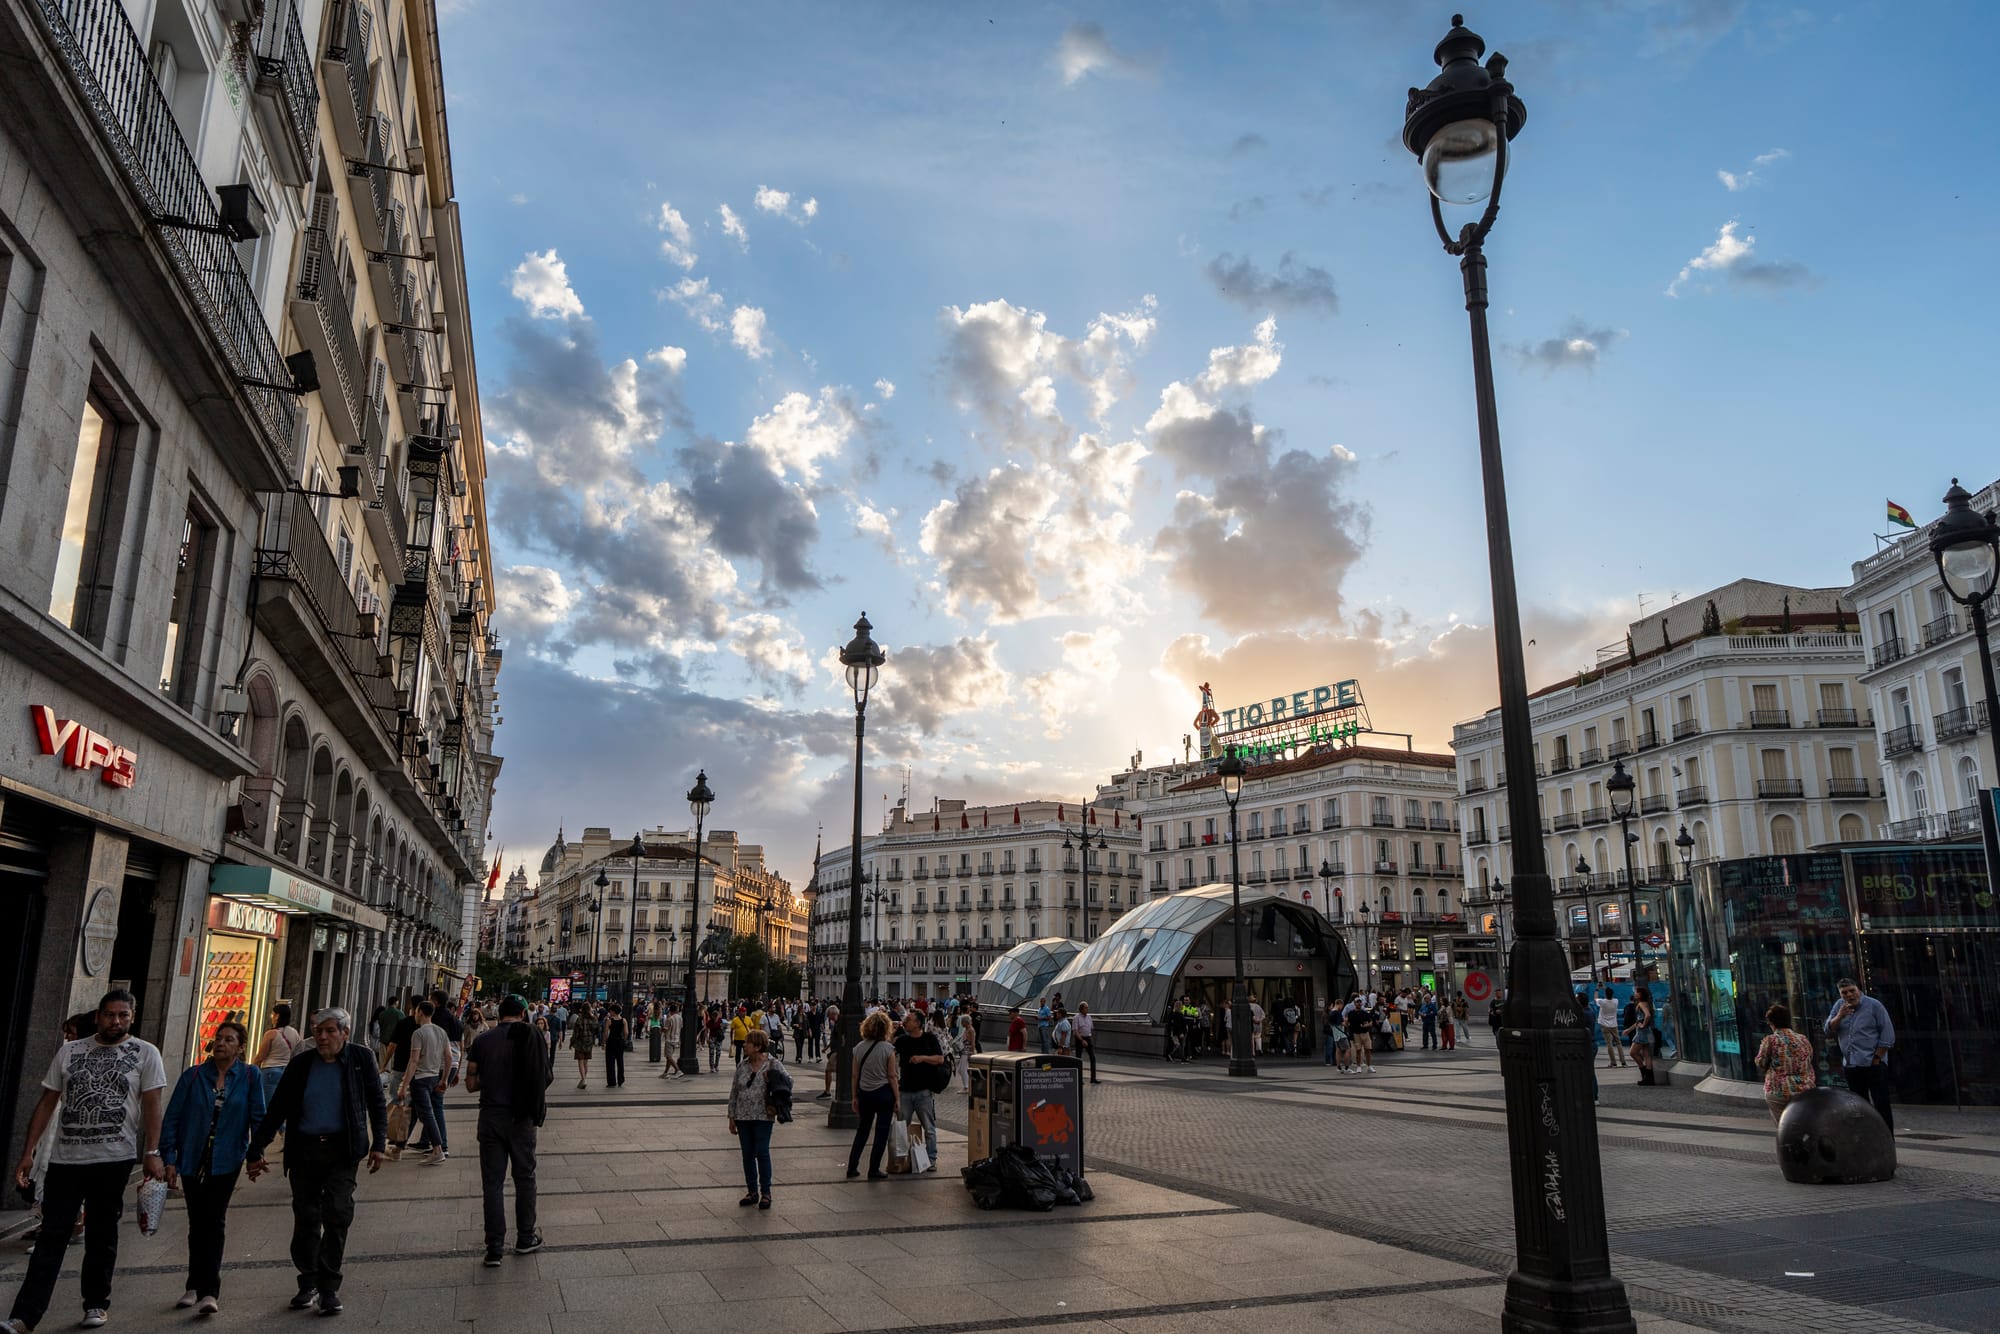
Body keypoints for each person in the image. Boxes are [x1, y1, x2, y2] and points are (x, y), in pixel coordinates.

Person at [4, 990, 168, 1334]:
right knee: (52, 1236)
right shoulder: (70, 1051)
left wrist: (152, 1153)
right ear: (98, 1016)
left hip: (114, 1158)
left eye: (123, 1015)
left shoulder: (145, 1053)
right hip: (67, 1159)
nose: (116, 1021)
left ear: (132, 1017)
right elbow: (48, 1102)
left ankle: (96, 1303)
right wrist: (28, 1152)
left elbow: (153, 1105)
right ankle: (25, 1316)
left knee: (101, 1234)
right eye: (110, 1015)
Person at [245, 1007, 387, 1317]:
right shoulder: (300, 1065)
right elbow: (278, 1109)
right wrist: (256, 1150)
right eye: (318, 1031)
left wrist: (379, 1143)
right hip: (305, 1151)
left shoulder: (361, 1060)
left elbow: (377, 1101)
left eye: (330, 1031)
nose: (322, 1037)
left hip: (343, 1150)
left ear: (345, 1034)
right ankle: (307, 1281)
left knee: (337, 1213)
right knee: (306, 1217)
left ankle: (329, 1287)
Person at [159, 1019, 266, 1314]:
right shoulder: (193, 1076)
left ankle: (209, 1291)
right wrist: (169, 1158)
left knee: (214, 1220)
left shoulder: (249, 1076)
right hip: (193, 1158)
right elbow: (172, 1119)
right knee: (197, 1222)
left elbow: (258, 1116)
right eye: (219, 1038)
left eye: (229, 1040)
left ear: (240, 1047)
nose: (221, 1043)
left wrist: (256, 1154)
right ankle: (193, 1286)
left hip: (227, 1159)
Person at [466, 995, 550, 1265]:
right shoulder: (532, 1038)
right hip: (522, 1119)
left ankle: (494, 1248)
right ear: (524, 1013)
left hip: (490, 1116)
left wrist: (490, 1078)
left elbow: (470, 1083)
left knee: (492, 1183)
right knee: (525, 1178)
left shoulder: (482, 1041)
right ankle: (525, 1237)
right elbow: (544, 1076)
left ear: (499, 1013)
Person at [1825, 977, 1897, 1130]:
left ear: (1858, 989)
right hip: (1852, 1064)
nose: (1849, 995)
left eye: (1852, 991)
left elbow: (1887, 1034)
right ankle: (1866, 1136)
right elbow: (1828, 1028)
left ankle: (1886, 1138)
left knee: (1881, 1103)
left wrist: (1877, 1058)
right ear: (1840, 995)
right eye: (1845, 993)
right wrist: (1840, 1016)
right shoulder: (1839, 1006)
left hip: (1873, 1063)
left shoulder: (1874, 1005)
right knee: (1859, 1105)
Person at [729, 1028, 787, 1208]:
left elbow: (788, 1082)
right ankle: (752, 1191)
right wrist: (731, 1116)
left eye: (748, 1042)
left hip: (763, 1115)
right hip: (743, 1116)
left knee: (761, 1152)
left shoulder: (772, 1064)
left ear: (757, 1046)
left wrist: (773, 1078)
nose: (744, 1045)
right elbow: (734, 1092)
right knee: (747, 1154)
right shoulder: (742, 1065)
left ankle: (766, 1193)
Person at [845, 1012, 900, 1180]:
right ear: (886, 1028)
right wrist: (897, 1098)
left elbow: (854, 1075)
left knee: (862, 1131)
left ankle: (852, 1167)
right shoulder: (888, 1049)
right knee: (881, 1132)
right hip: (883, 1093)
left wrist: (855, 1096)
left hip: (865, 1094)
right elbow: (892, 1076)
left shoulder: (859, 1048)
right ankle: (873, 1169)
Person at [397, 1000, 451, 1166]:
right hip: (434, 1076)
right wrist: (444, 1079)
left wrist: (404, 1085)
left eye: (415, 1011)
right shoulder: (441, 1031)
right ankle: (398, 1147)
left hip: (420, 1079)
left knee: (427, 1114)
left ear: (420, 1012)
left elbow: (413, 1061)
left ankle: (437, 1149)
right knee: (415, 1113)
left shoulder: (418, 1033)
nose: (414, 1014)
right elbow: (449, 1056)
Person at [893, 1012, 946, 1173]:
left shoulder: (929, 1038)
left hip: (924, 1091)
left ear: (918, 1023)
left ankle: (931, 1159)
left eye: (908, 1020)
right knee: (902, 1127)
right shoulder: (902, 1040)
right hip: (905, 1091)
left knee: (929, 1127)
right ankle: (901, 1159)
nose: (905, 1022)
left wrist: (922, 1058)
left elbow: (940, 1059)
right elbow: (888, 1051)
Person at [1754, 1002, 1817, 1126]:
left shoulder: (1770, 1040)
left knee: (1783, 1126)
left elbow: (1760, 1062)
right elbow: (1809, 1058)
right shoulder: (1803, 1038)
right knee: (1803, 1123)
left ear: (1771, 1023)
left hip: (1779, 1090)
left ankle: (1788, 1144)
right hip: (1804, 1088)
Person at [253, 1003, 305, 1107]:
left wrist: (252, 1068)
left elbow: (261, 1056)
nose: (272, 1018)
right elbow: (299, 1051)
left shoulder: (271, 1034)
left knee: (267, 1105)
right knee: (281, 1106)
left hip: (270, 1071)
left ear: (277, 1016)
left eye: (273, 1015)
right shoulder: (294, 1032)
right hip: (287, 1071)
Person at [1624, 990, 1659, 1086]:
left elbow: (1647, 1015)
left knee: (1633, 1052)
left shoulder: (1641, 1004)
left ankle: (1643, 1071)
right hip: (1647, 1031)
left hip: (1642, 1032)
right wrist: (1631, 1029)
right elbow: (1644, 1017)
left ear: (1641, 995)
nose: (1635, 994)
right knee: (1647, 1054)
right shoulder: (1646, 1003)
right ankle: (1649, 1077)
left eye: (1637, 992)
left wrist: (1643, 1025)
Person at [1596, 988, 1627, 1068]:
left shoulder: (1602, 1002)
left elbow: (1595, 998)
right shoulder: (1616, 1001)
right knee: (1618, 1043)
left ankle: (1613, 1063)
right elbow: (1609, 993)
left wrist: (1597, 989)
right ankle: (1623, 1062)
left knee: (1609, 1044)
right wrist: (1605, 987)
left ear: (1605, 994)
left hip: (1605, 1025)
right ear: (1612, 994)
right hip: (1614, 1025)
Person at [370, 996, 404, 1065]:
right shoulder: (400, 1013)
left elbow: (380, 1025)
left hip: (383, 1039)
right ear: (396, 1002)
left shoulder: (382, 1014)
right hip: (395, 1041)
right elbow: (403, 1026)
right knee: (391, 1062)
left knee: (383, 1062)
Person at [568, 1004, 596, 1088]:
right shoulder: (593, 1019)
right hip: (589, 1043)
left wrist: (571, 1042)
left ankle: (583, 1080)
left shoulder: (579, 1019)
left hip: (580, 1043)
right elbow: (597, 1029)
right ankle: (583, 1079)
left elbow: (576, 1033)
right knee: (585, 1062)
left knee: (580, 1061)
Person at [602, 1004, 628, 1088]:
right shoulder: (624, 1020)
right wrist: (624, 1039)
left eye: (610, 1011)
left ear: (613, 1011)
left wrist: (603, 1043)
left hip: (611, 1041)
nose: (609, 1012)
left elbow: (606, 1033)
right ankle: (621, 1080)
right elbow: (626, 1033)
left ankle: (611, 1081)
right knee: (620, 1061)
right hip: (620, 1041)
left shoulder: (609, 1021)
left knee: (610, 1062)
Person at [1073, 1002, 1098, 1084]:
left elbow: (1091, 1028)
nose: (1087, 1009)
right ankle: (1079, 1079)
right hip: (1080, 1038)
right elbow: (1075, 1032)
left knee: (1093, 1058)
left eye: (1087, 1007)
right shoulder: (1076, 1018)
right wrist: (1082, 1040)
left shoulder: (1089, 1017)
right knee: (1078, 1059)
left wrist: (1089, 1038)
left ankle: (1093, 1078)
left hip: (1088, 1038)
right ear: (1081, 1009)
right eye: (1086, 1008)